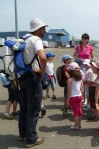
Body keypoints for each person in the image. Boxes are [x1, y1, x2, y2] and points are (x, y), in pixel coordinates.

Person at [18, 18, 47, 148]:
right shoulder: (35, 39)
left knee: (24, 107)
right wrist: (42, 70)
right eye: (43, 28)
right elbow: (43, 57)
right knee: (34, 107)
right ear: (38, 29)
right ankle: (31, 138)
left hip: (22, 76)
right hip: (33, 76)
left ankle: (23, 134)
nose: (44, 30)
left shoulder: (24, 39)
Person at [67, 62, 84, 130]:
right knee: (79, 111)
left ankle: (76, 126)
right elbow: (82, 88)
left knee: (75, 112)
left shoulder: (70, 80)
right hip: (79, 96)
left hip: (73, 97)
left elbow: (69, 91)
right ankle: (79, 124)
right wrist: (82, 95)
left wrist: (68, 100)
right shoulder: (80, 78)